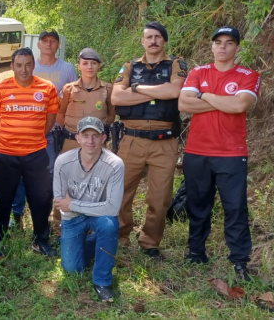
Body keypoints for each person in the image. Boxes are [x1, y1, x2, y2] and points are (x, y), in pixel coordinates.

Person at [178, 26, 260, 281]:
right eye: (218, 42)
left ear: (237, 48)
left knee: (235, 207)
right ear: (212, 46)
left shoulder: (249, 75)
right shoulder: (198, 71)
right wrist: (221, 101)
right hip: (196, 151)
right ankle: (196, 252)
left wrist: (203, 95)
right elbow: (183, 104)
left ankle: (239, 261)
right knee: (198, 204)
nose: (223, 47)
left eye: (229, 42)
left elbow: (239, 105)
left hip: (231, 153)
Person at [111, 21, 187, 260]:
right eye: (148, 37)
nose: (153, 41)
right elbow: (116, 98)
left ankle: (149, 242)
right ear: (142, 41)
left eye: (157, 37)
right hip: (132, 139)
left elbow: (174, 92)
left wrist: (136, 89)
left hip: (164, 142)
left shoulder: (176, 64)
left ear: (164, 41)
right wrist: (155, 90)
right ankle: (121, 237)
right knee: (120, 193)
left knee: (160, 197)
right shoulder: (130, 66)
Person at [0, 47, 59, 257]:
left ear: (33, 65)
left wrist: (33, 137)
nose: (24, 69)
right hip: (6, 154)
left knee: (41, 198)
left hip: (36, 154)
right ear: (12, 66)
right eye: (19, 65)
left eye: (28, 65)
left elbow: (50, 120)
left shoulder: (47, 89)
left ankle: (41, 240)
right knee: (3, 199)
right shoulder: (1, 89)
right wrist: (10, 137)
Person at [53, 117, 124, 303]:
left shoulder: (115, 164)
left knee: (109, 224)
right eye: (85, 135)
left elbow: (113, 207)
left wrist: (73, 204)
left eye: (95, 136)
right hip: (73, 218)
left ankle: (102, 281)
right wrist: (71, 206)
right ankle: (99, 243)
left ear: (104, 138)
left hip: (99, 217)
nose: (90, 141)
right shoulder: (63, 162)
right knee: (72, 268)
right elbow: (62, 205)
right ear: (77, 138)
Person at [11, 30, 77, 228]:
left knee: (48, 175)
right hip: (26, 131)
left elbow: (71, 100)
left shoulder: (67, 69)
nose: (49, 44)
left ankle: (43, 216)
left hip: (53, 133)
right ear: (38, 45)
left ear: (58, 45)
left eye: (53, 41)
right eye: (45, 41)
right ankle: (16, 214)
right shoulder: (30, 66)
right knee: (20, 173)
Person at [52, 48, 116, 237]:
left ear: (99, 66)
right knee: (65, 183)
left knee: (95, 184)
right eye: (85, 63)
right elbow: (60, 113)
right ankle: (59, 228)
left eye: (94, 63)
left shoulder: (108, 89)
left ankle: (90, 227)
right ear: (79, 66)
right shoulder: (69, 89)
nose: (89, 67)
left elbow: (111, 114)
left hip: (96, 144)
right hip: (71, 142)